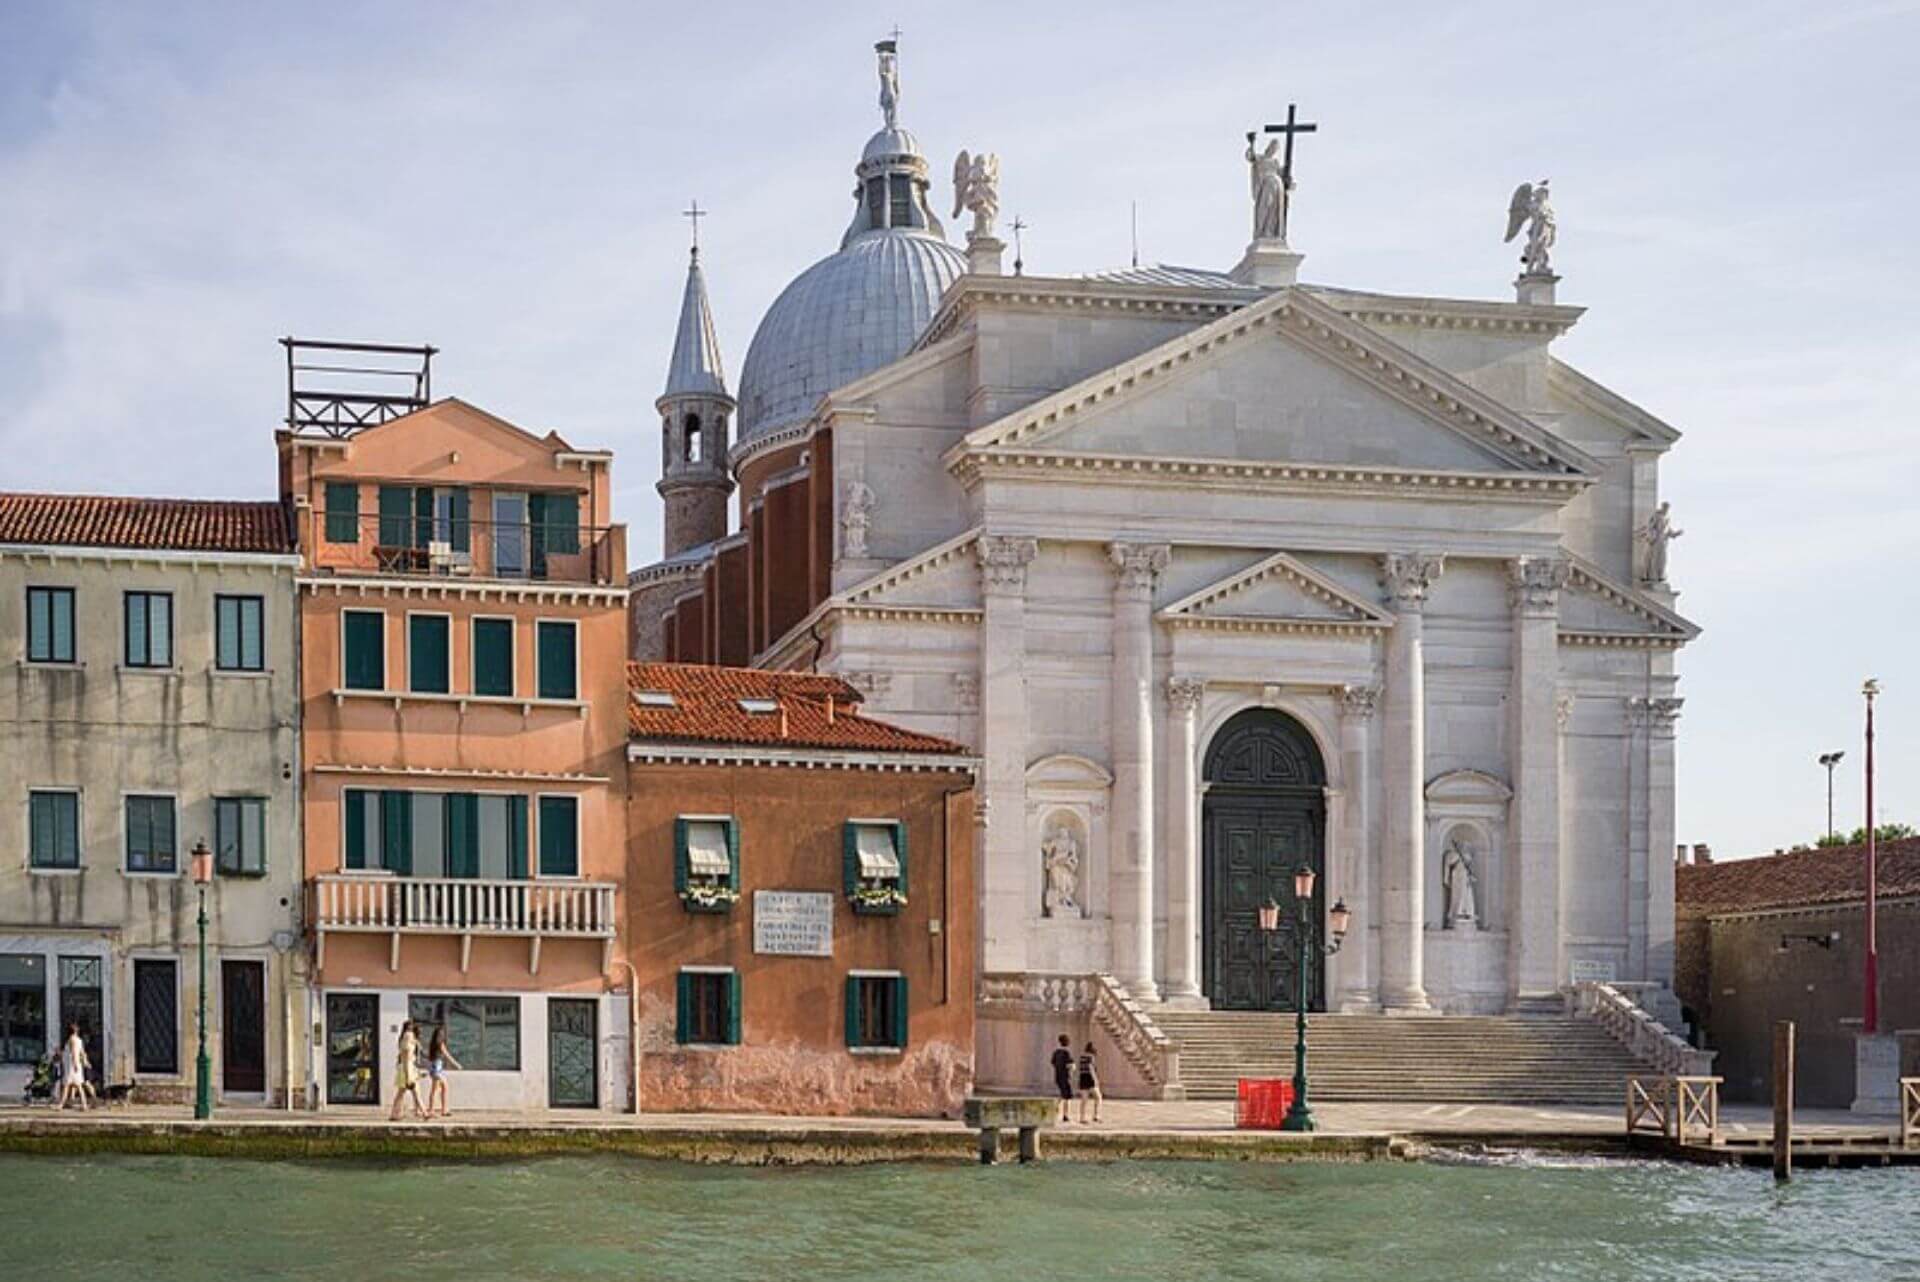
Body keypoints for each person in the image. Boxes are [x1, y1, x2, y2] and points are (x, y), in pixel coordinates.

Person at [388, 1020, 426, 1121]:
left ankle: (424, 1112)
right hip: (406, 1069)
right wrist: (408, 1075)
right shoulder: (406, 1045)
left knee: (413, 1092)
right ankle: (394, 1114)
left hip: (410, 1068)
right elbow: (405, 1060)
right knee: (402, 1092)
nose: (411, 1035)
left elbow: (417, 1051)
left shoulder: (410, 1041)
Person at [424, 1024, 463, 1118]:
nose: (444, 1035)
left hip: (436, 1067)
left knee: (444, 1087)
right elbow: (447, 1055)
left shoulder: (433, 1044)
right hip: (437, 1067)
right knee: (435, 1089)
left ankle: (443, 1109)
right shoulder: (440, 1044)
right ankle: (432, 1110)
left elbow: (430, 1057)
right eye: (443, 1033)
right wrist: (456, 1064)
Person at [57, 1024, 91, 1111]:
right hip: (75, 1065)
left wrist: (75, 1064)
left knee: (67, 1085)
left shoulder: (71, 1040)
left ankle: (61, 1104)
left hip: (71, 1066)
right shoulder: (79, 1040)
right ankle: (84, 1105)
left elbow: (74, 1052)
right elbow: (82, 1052)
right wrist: (85, 1062)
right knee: (78, 1086)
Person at [1050, 1033, 1075, 1123]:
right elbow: (1070, 1065)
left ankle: (1054, 1110)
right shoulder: (1067, 1053)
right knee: (1067, 1097)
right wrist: (1072, 1070)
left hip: (1058, 1077)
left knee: (1062, 1095)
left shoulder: (1056, 1052)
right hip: (1065, 1077)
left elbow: (1052, 1063)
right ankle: (1065, 1115)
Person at [1076, 1042, 1103, 1124]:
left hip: (1082, 1078)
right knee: (1098, 1097)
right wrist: (1096, 1080)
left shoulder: (1081, 1057)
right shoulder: (1091, 1057)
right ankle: (1096, 1116)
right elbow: (1091, 1068)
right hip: (1090, 1078)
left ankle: (1082, 1118)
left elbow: (1079, 1068)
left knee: (1084, 1100)